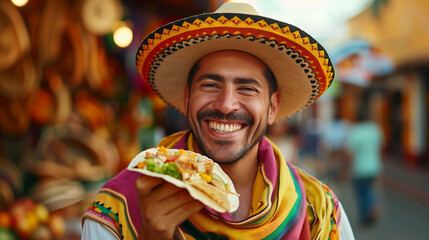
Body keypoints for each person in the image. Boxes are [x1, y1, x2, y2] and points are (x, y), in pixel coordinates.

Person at [81, 2, 354, 239]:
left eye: (247, 88)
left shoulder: (320, 213)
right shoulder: (117, 208)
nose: (225, 105)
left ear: (272, 107)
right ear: (188, 98)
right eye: (211, 84)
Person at [346, 104, 383, 227]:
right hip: (374, 166)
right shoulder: (374, 129)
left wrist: (345, 168)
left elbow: (349, 153)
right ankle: (372, 207)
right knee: (370, 190)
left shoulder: (355, 131)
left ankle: (365, 216)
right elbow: (380, 146)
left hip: (359, 168)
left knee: (361, 193)